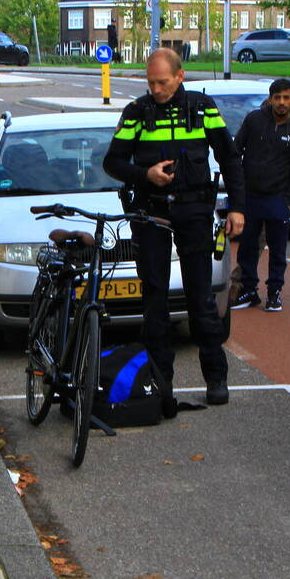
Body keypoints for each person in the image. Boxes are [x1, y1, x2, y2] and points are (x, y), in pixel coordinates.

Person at [103, 48, 245, 405]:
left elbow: (228, 156)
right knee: (154, 301)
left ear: (180, 77)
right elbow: (113, 162)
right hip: (151, 213)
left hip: (195, 211)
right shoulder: (137, 112)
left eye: (162, 82)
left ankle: (216, 378)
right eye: (150, 82)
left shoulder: (201, 108)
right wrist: (145, 174)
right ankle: (160, 385)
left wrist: (238, 208)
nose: (155, 89)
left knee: (201, 300)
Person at [231, 79, 290, 313]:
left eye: (286, 98)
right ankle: (248, 290)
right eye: (277, 98)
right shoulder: (254, 120)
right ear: (271, 98)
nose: (282, 103)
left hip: (278, 199)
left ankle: (274, 292)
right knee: (247, 247)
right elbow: (236, 150)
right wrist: (239, 188)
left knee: (278, 250)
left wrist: (288, 200)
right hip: (251, 197)